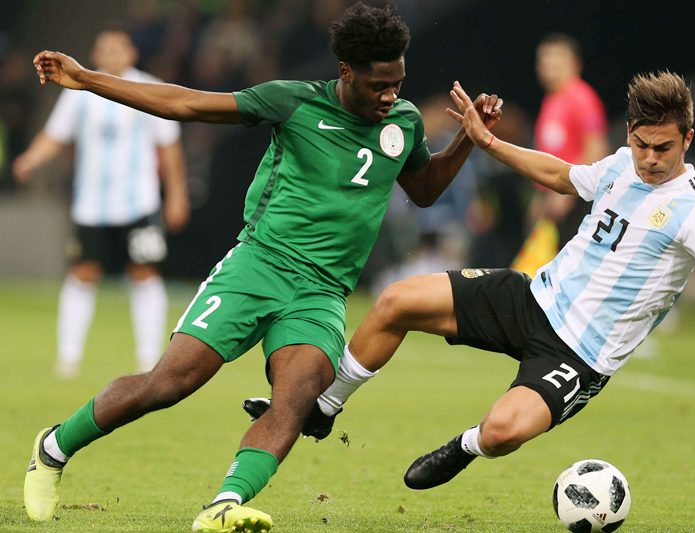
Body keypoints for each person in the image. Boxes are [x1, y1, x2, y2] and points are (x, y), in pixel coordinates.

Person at [22, 3, 502, 531]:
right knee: (169, 383)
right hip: (259, 265)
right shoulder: (293, 101)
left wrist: (468, 138)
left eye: (398, 83)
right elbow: (186, 103)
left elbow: (425, 189)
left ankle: (224, 504)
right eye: (378, 85)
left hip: (322, 291)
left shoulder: (404, 122)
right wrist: (88, 79)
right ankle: (53, 448)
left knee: (297, 398)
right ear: (346, 71)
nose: (390, 96)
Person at [245, 72, 695, 493]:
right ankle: (325, 406)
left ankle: (464, 447)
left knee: (503, 431)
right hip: (530, 298)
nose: (651, 159)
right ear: (629, 134)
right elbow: (560, 175)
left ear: (688, 138)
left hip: (579, 355)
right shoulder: (621, 165)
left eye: (663, 148)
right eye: (642, 144)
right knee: (396, 301)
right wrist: (486, 142)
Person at [13, 26, 190, 377]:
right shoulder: (78, 91)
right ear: (95, 55)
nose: (111, 54)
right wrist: (30, 159)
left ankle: (148, 357)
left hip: (139, 202)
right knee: (83, 274)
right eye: (104, 49)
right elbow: (55, 134)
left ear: (131, 53)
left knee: (144, 274)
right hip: (91, 204)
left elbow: (169, 147)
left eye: (117, 48)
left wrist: (177, 195)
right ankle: (68, 357)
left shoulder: (149, 88)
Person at [512, 33, 609, 276]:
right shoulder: (552, 101)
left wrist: (568, 190)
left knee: (573, 271)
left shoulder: (582, 98)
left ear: (575, 64)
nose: (549, 70)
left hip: (576, 200)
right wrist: (541, 195)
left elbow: (597, 148)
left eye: (556, 63)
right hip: (554, 197)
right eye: (544, 63)